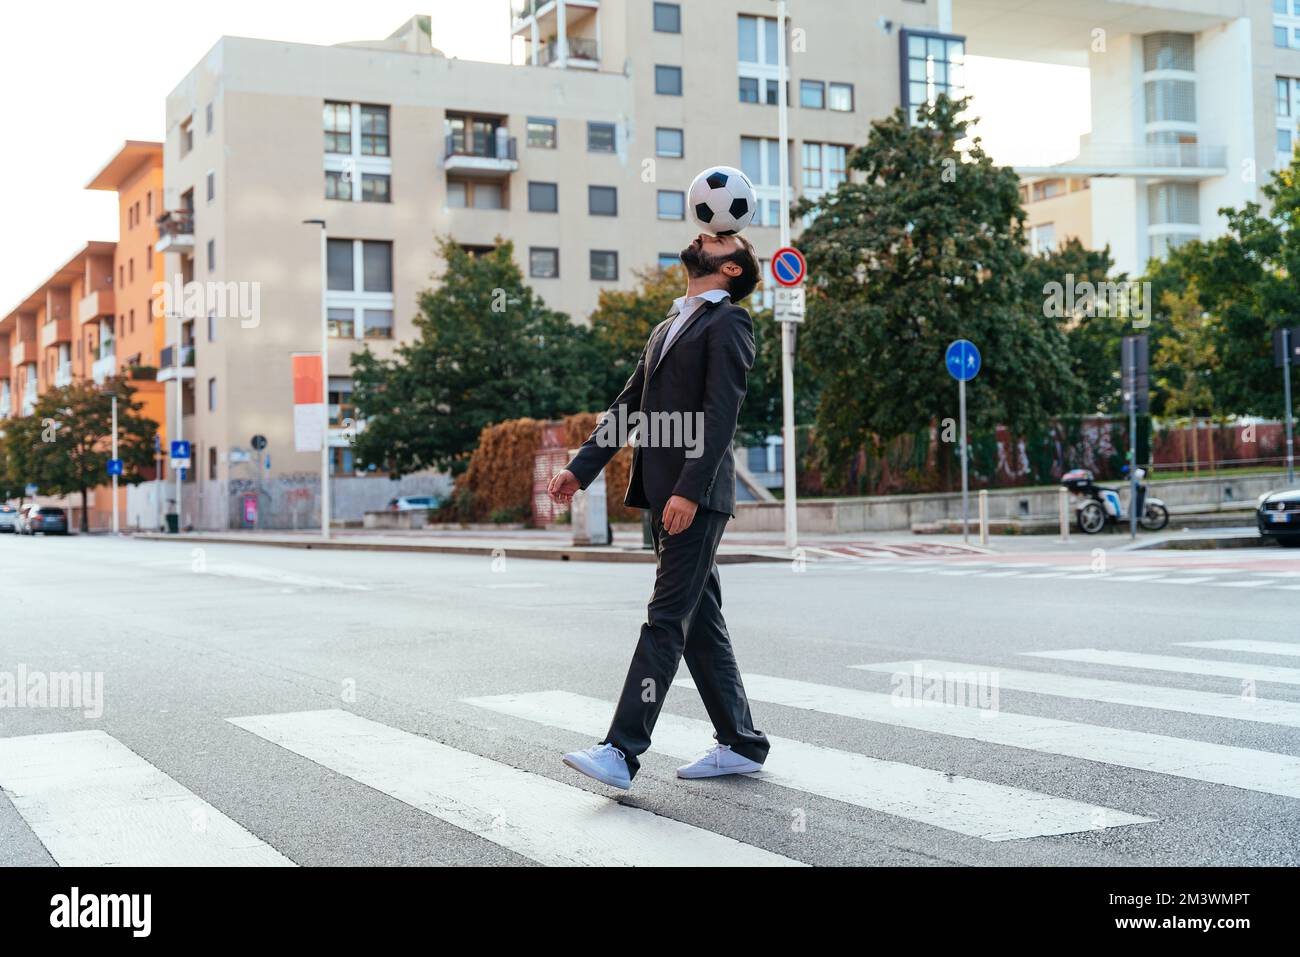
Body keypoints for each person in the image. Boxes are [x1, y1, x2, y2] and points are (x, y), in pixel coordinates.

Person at [547, 231, 771, 790]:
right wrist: (581, 468)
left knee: (666, 619)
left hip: (691, 499)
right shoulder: (670, 324)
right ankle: (741, 742)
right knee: (700, 624)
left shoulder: (728, 324)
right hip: (665, 494)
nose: (706, 237)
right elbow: (628, 405)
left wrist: (691, 490)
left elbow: (721, 415)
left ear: (733, 271)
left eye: (723, 239)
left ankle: (621, 751)